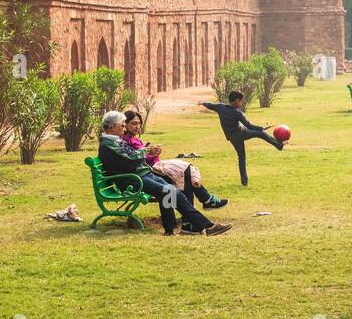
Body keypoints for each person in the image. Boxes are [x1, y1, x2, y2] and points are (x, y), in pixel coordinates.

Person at [98, 111, 231, 235]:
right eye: (122, 126)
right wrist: (147, 151)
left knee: (171, 191)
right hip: (132, 180)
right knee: (171, 192)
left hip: (139, 175)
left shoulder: (113, 140)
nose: (124, 128)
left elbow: (129, 157)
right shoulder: (109, 143)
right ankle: (207, 226)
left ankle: (170, 228)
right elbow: (131, 155)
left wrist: (144, 154)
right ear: (113, 126)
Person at [122, 110, 228, 209]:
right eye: (134, 123)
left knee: (185, 172)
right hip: (144, 175)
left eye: (139, 123)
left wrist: (154, 153)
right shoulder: (125, 141)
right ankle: (203, 203)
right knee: (185, 174)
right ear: (124, 124)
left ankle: (197, 209)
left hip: (150, 170)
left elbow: (143, 158)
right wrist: (150, 153)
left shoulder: (133, 139)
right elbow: (135, 160)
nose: (138, 126)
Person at [200, 92, 283, 186]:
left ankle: (244, 181)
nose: (241, 103)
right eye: (241, 101)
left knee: (241, 157)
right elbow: (249, 126)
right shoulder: (237, 112)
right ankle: (279, 145)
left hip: (231, 137)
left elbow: (210, 105)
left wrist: (202, 103)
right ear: (236, 101)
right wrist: (262, 128)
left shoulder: (220, 107)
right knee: (261, 133)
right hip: (241, 133)